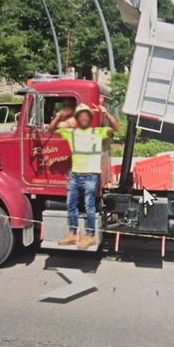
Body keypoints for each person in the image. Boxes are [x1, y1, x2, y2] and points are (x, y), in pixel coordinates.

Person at [47, 102, 120, 248]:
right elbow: (50, 130)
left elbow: (116, 128)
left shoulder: (97, 132)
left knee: (89, 206)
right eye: (81, 115)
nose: (84, 118)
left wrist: (106, 113)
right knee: (71, 205)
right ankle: (73, 234)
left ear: (90, 118)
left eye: (87, 115)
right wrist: (59, 116)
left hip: (91, 176)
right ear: (78, 118)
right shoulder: (71, 133)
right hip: (75, 176)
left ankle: (90, 236)